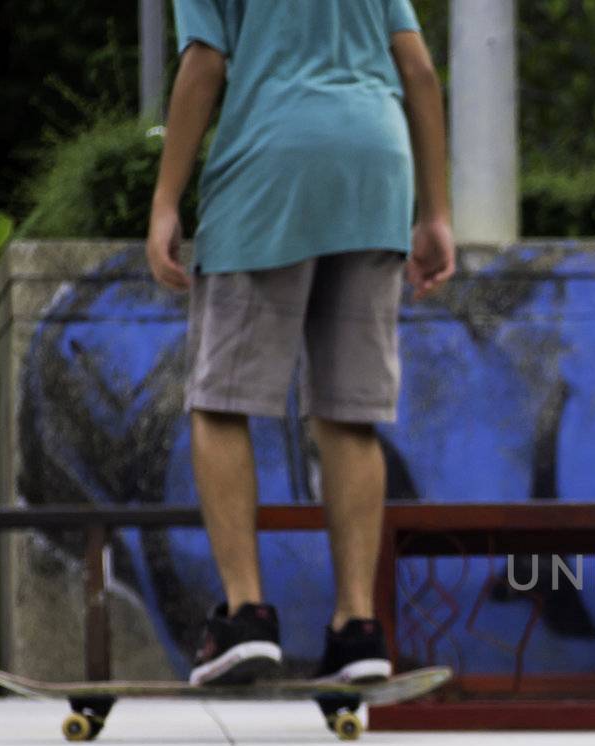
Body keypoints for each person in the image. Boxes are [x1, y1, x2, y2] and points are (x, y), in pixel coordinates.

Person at [146, 0, 454, 685]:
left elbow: (205, 62)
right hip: (376, 169)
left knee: (220, 402)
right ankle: (357, 628)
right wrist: (436, 212)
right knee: (350, 412)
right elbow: (419, 71)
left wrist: (166, 200)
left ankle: (246, 614)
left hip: (270, 168)